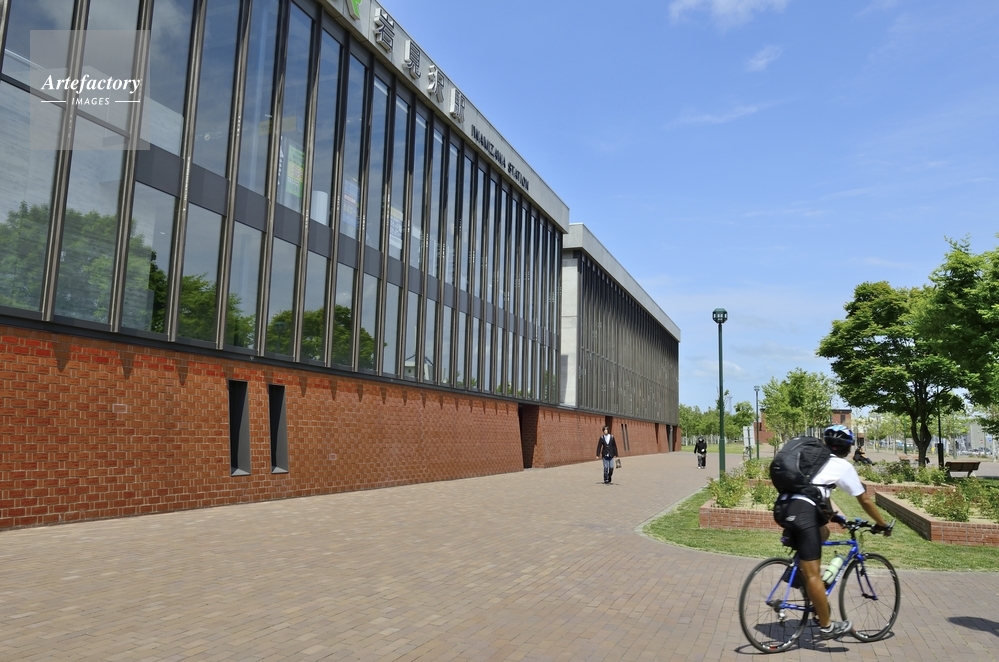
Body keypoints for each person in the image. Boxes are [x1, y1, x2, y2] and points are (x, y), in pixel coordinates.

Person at [776, 425, 893, 641]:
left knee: (823, 533)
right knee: (814, 575)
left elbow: (819, 495)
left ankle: (801, 574)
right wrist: (882, 524)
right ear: (847, 448)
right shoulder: (841, 466)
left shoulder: (813, 462)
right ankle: (827, 626)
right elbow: (865, 500)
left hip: (784, 507)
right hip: (804, 514)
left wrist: (836, 517)